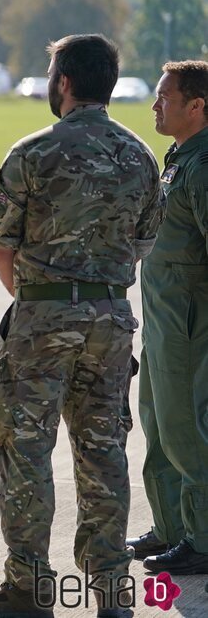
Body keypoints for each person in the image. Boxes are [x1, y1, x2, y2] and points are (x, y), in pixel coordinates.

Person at [0, 34, 166, 618]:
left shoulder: (33, 151)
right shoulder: (138, 157)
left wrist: (36, 300)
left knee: (26, 448)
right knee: (104, 449)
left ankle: (29, 585)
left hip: (42, 316)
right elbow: (141, 244)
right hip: (110, 318)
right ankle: (110, 590)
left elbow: (0, 243)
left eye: (52, 72)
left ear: (66, 83)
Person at [127, 60, 208, 576]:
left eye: (165, 97)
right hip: (162, 317)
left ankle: (202, 537)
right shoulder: (179, 158)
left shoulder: (203, 168)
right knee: (157, 422)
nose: (156, 106)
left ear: (197, 105)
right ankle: (171, 526)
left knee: (186, 428)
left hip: (188, 321)